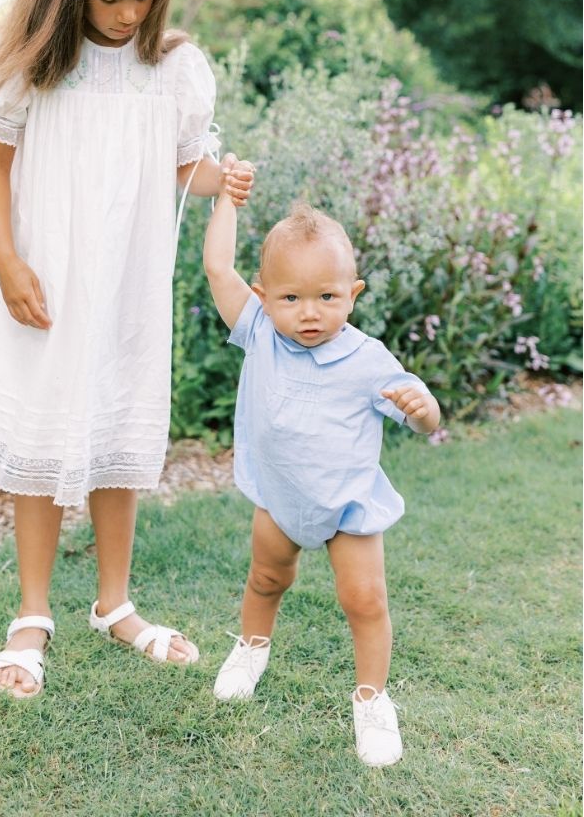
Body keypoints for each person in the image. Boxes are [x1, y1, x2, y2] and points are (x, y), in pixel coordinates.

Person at [0, 0, 253, 699]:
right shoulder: (38, 66)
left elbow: (183, 165)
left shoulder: (175, 69)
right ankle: (33, 611)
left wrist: (224, 178)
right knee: (45, 439)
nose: (126, 13)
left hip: (124, 279)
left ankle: (114, 602)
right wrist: (9, 261)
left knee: (119, 430)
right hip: (44, 272)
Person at [202, 186, 440, 768]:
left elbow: (423, 417)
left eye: (328, 296)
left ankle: (371, 699)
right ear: (263, 296)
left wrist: (422, 408)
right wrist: (226, 202)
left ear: (352, 295)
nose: (310, 313)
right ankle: (251, 649)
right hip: (280, 499)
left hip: (347, 507)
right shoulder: (259, 331)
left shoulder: (367, 359)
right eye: (291, 298)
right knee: (265, 580)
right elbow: (216, 266)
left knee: (364, 599)